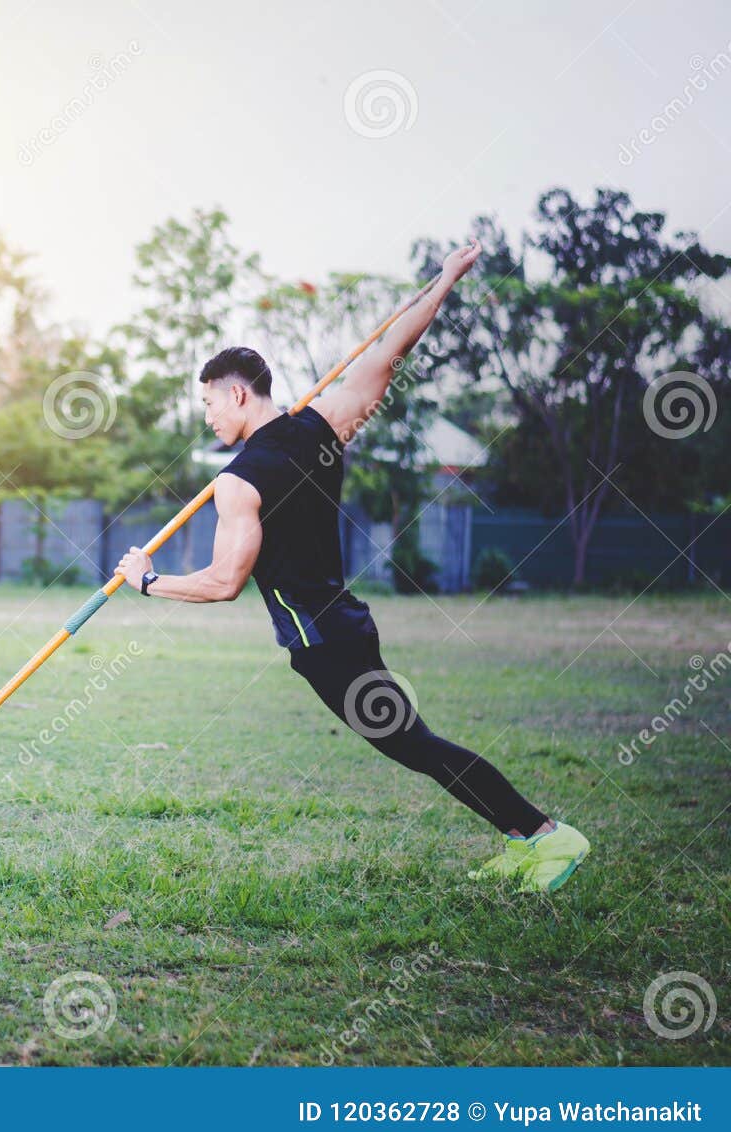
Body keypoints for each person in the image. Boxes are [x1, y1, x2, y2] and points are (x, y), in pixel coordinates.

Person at [113, 240, 588, 893]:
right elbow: (391, 350)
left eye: (209, 404)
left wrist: (147, 580)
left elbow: (224, 583)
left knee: (417, 745)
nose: (208, 416)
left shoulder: (238, 481)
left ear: (237, 394)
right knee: (417, 743)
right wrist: (445, 280)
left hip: (323, 643)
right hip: (347, 624)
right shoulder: (325, 425)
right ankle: (523, 834)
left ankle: (542, 833)